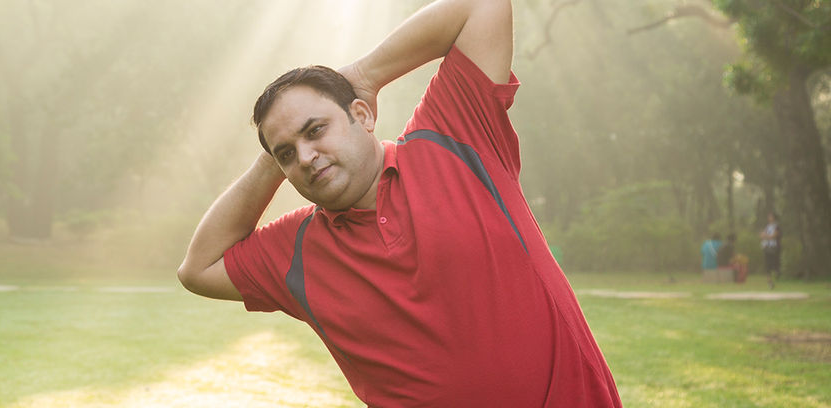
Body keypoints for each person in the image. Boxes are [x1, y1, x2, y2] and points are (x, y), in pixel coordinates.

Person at [176, 0, 622, 406]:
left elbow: (482, 6)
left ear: (363, 115)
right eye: (287, 153)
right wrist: (272, 159)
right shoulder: (296, 250)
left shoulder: (453, 137)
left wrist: (366, 75)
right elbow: (198, 268)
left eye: (315, 130)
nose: (306, 157)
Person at [760, 212, 781, 288]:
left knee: (774, 264)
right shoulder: (767, 226)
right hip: (766, 246)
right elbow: (762, 235)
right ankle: (770, 282)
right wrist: (766, 236)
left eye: (771, 216)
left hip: (773, 247)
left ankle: (777, 275)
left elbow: (774, 236)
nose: (769, 218)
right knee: (767, 265)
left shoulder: (776, 226)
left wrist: (766, 236)